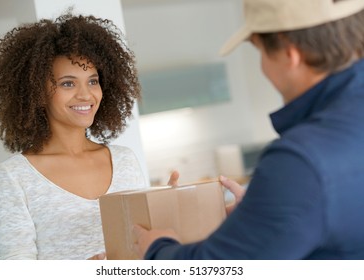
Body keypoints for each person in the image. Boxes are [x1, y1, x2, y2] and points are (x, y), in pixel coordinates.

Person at [133, 0, 364, 259]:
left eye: (261, 53)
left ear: (290, 53)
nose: (263, 67)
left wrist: (156, 248)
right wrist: (263, 215)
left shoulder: (300, 161)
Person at [0, 12, 146, 260]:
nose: (86, 95)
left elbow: (147, 247)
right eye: (68, 83)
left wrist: (169, 208)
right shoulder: (15, 177)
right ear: (37, 91)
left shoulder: (124, 161)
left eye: (93, 81)